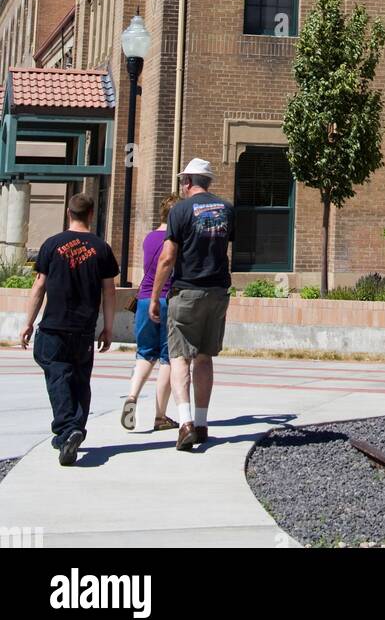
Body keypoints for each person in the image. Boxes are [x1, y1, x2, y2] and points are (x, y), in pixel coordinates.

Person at [20, 192, 118, 466]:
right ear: (91, 215)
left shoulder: (52, 245)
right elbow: (109, 291)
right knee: (79, 379)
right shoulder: (101, 248)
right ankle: (73, 429)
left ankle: (67, 429)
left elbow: (39, 286)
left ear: (68, 214)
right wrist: (108, 327)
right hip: (84, 328)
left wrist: (28, 322)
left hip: (54, 325)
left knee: (58, 375)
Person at [150, 157, 234, 451]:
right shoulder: (227, 209)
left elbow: (167, 257)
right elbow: (226, 248)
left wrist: (155, 296)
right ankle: (202, 423)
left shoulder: (180, 211)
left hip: (186, 291)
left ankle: (184, 422)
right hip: (218, 292)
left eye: (182, 181)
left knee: (179, 357)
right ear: (207, 182)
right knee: (205, 356)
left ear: (187, 182)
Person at [121, 193, 180, 433]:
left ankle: (132, 395)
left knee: (144, 353)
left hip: (144, 300)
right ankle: (160, 415)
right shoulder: (176, 240)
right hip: (167, 300)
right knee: (168, 357)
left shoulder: (149, 238)